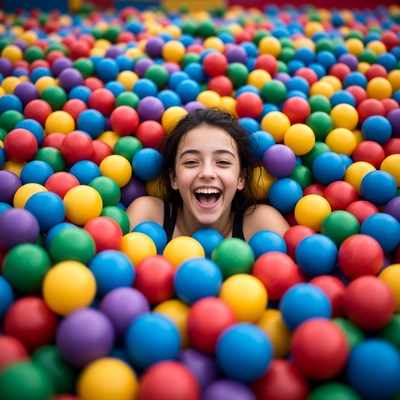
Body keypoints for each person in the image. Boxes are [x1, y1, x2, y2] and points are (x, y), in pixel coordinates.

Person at [126, 108, 290, 242]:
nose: (207, 173)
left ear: (241, 178)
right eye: (191, 162)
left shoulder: (262, 225)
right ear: (173, 178)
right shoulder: (148, 217)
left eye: (223, 162)